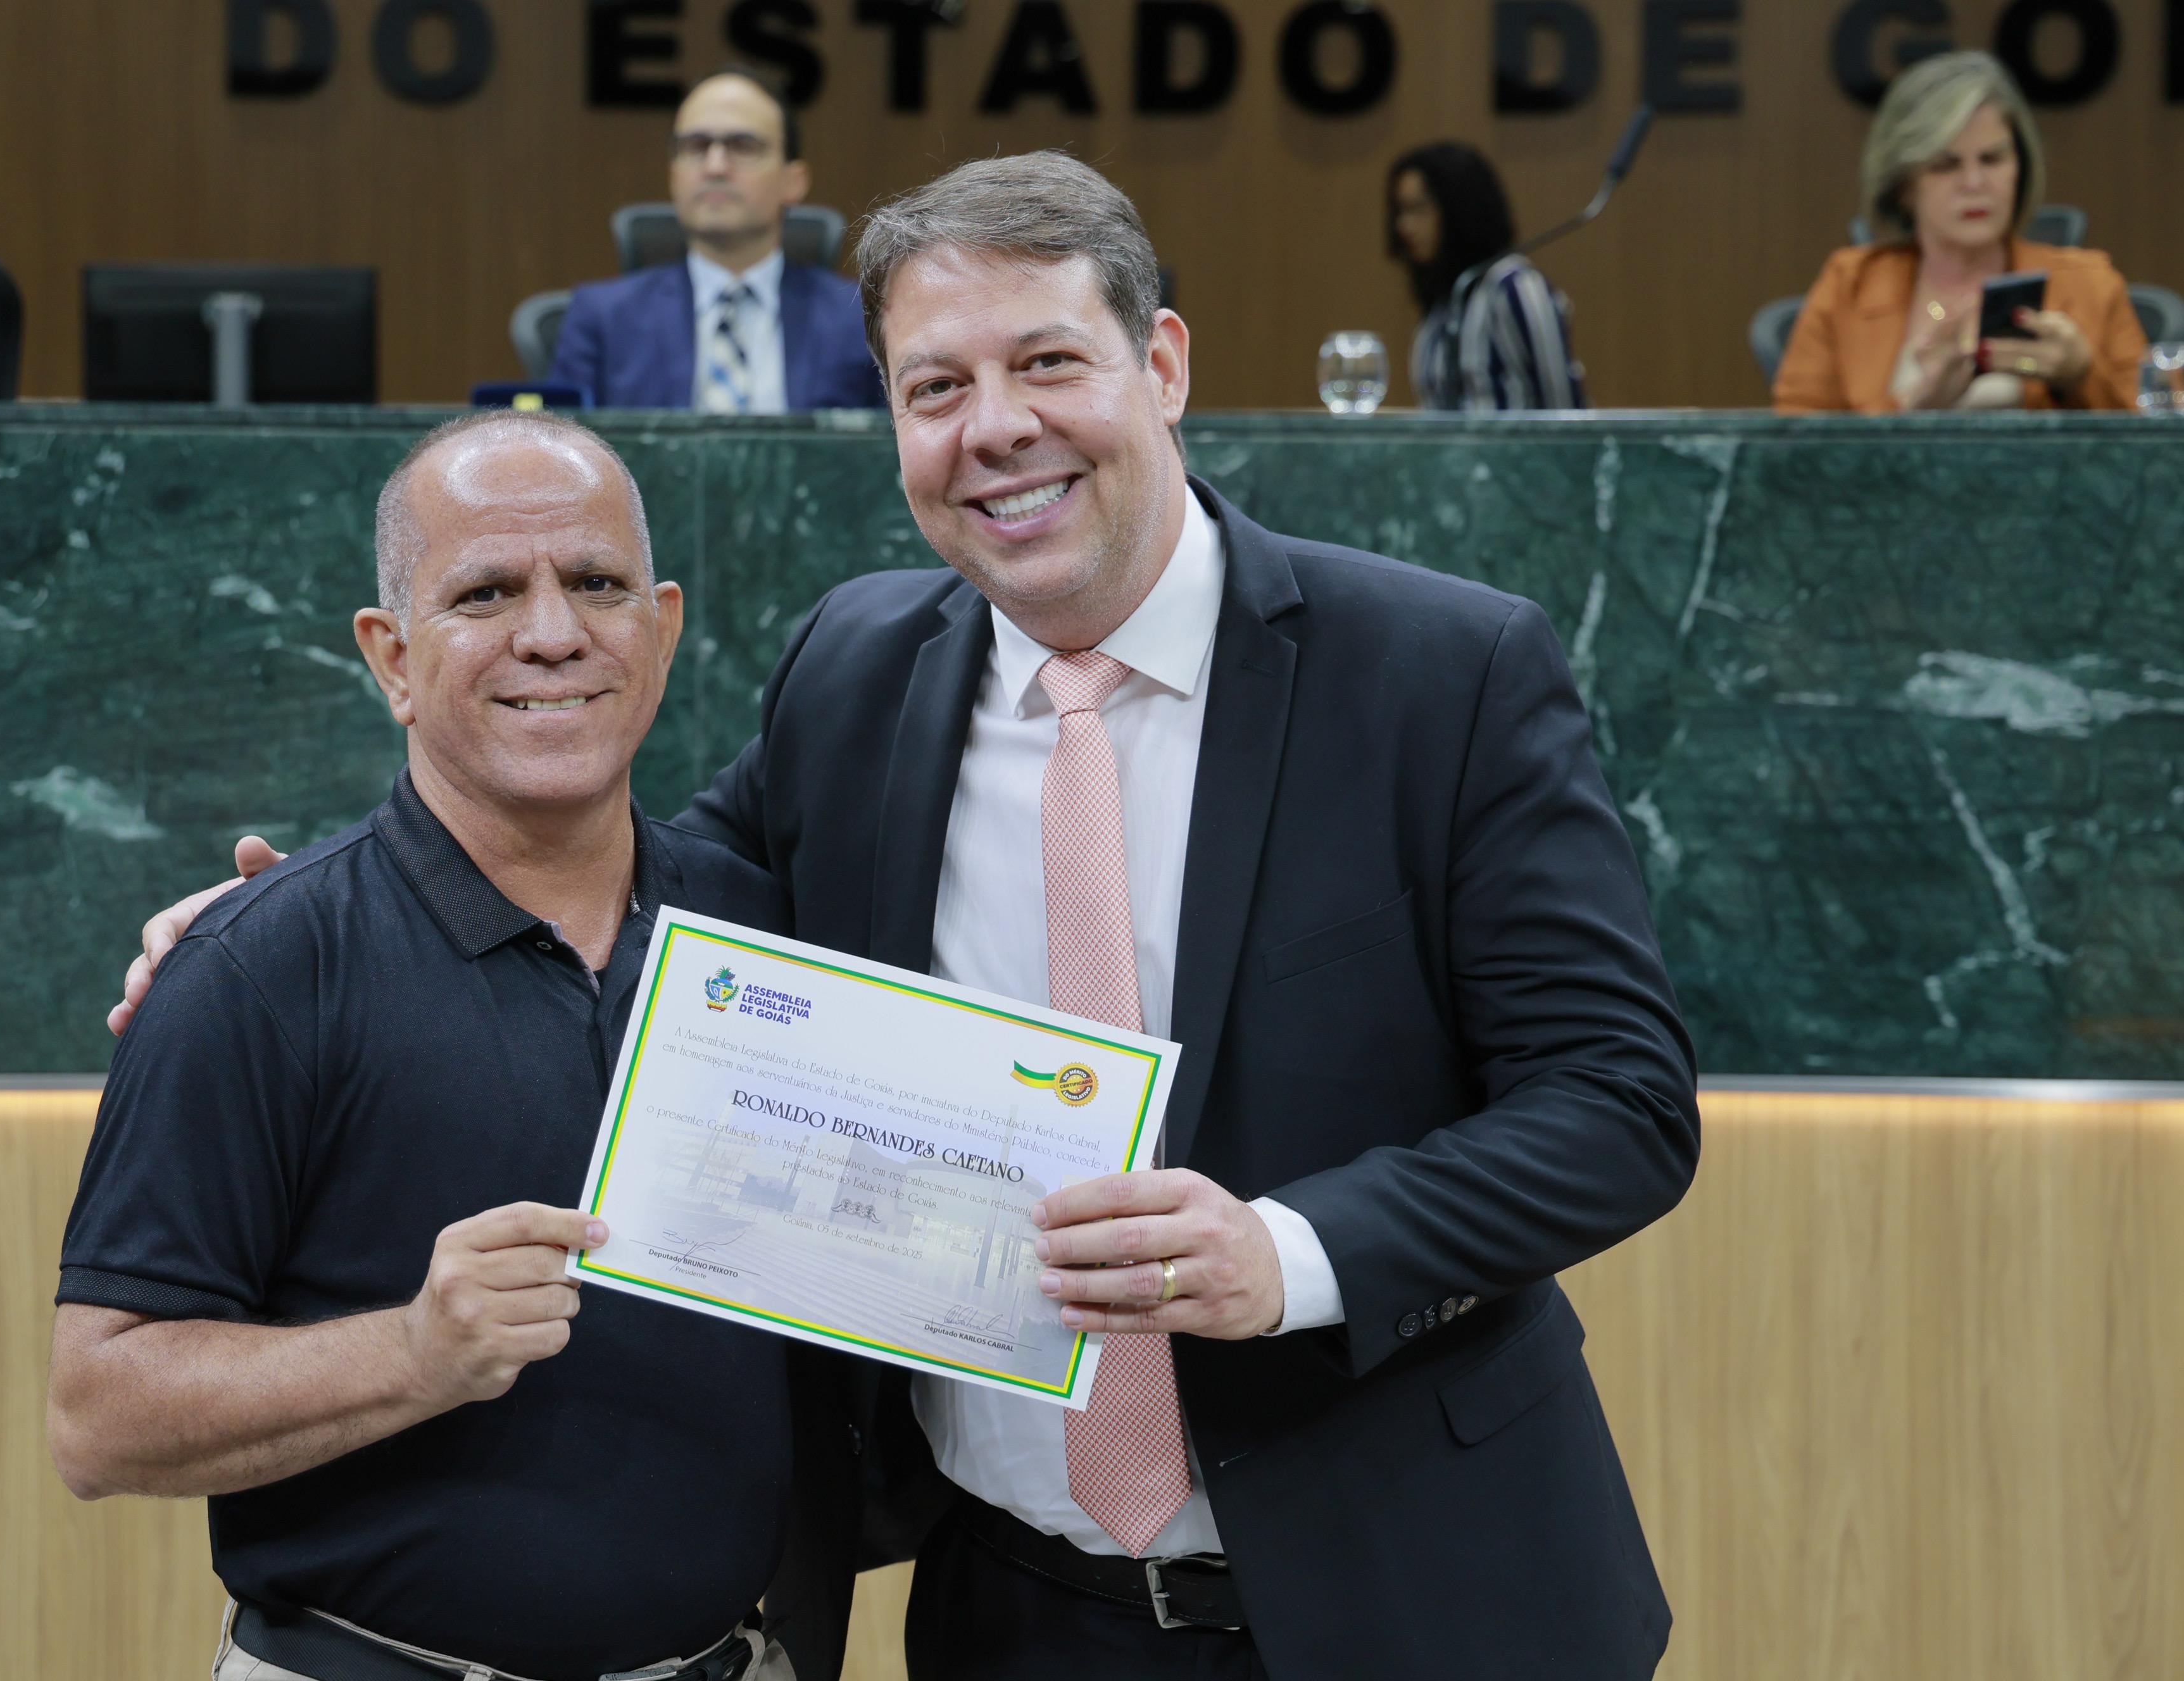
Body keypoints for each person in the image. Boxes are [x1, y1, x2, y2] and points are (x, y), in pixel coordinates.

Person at [119, 153, 1698, 1680]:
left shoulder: (1442, 673)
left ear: (1161, 364)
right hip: (1016, 1609)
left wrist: (1287, 1252)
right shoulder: (858, 672)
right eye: (935, 387)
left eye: (1047, 361)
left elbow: (1620, 1100)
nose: (995, 428)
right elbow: (642, 887)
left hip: (1420, 1596)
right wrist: (301, 912)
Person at [51, 411, 805, 1681]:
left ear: (663, 629)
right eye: (486, 592)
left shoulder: (767, 937)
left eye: (598, 583)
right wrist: (411, 1351)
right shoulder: (257, 969)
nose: (553, 632)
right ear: (391, 656)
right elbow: (96, 1414)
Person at [1775, 51, 2146, 413]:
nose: (1974, 183)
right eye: (1946, 165)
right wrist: (1914, 408)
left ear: (2020, 167)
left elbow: (2156, 438)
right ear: (1905, 186)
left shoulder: (2093, 286)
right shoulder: (1848, 286)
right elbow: (1795, 444)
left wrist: (2079, 378)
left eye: (1992, 159)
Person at [549, 69, 882, 412]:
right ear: (674, 176)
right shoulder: (603, 320)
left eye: (743, 146)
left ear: (793, 181)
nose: (715, 166)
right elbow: (561, 443)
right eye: (696, 147)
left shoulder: (861, 320)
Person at [1386, 141, 1586, 410]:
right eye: (1400, 211)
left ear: (1458, 208)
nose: (1404, 226)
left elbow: (1564, 411)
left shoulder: (1516, 287)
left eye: (1418, 208)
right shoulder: (1444, 305)